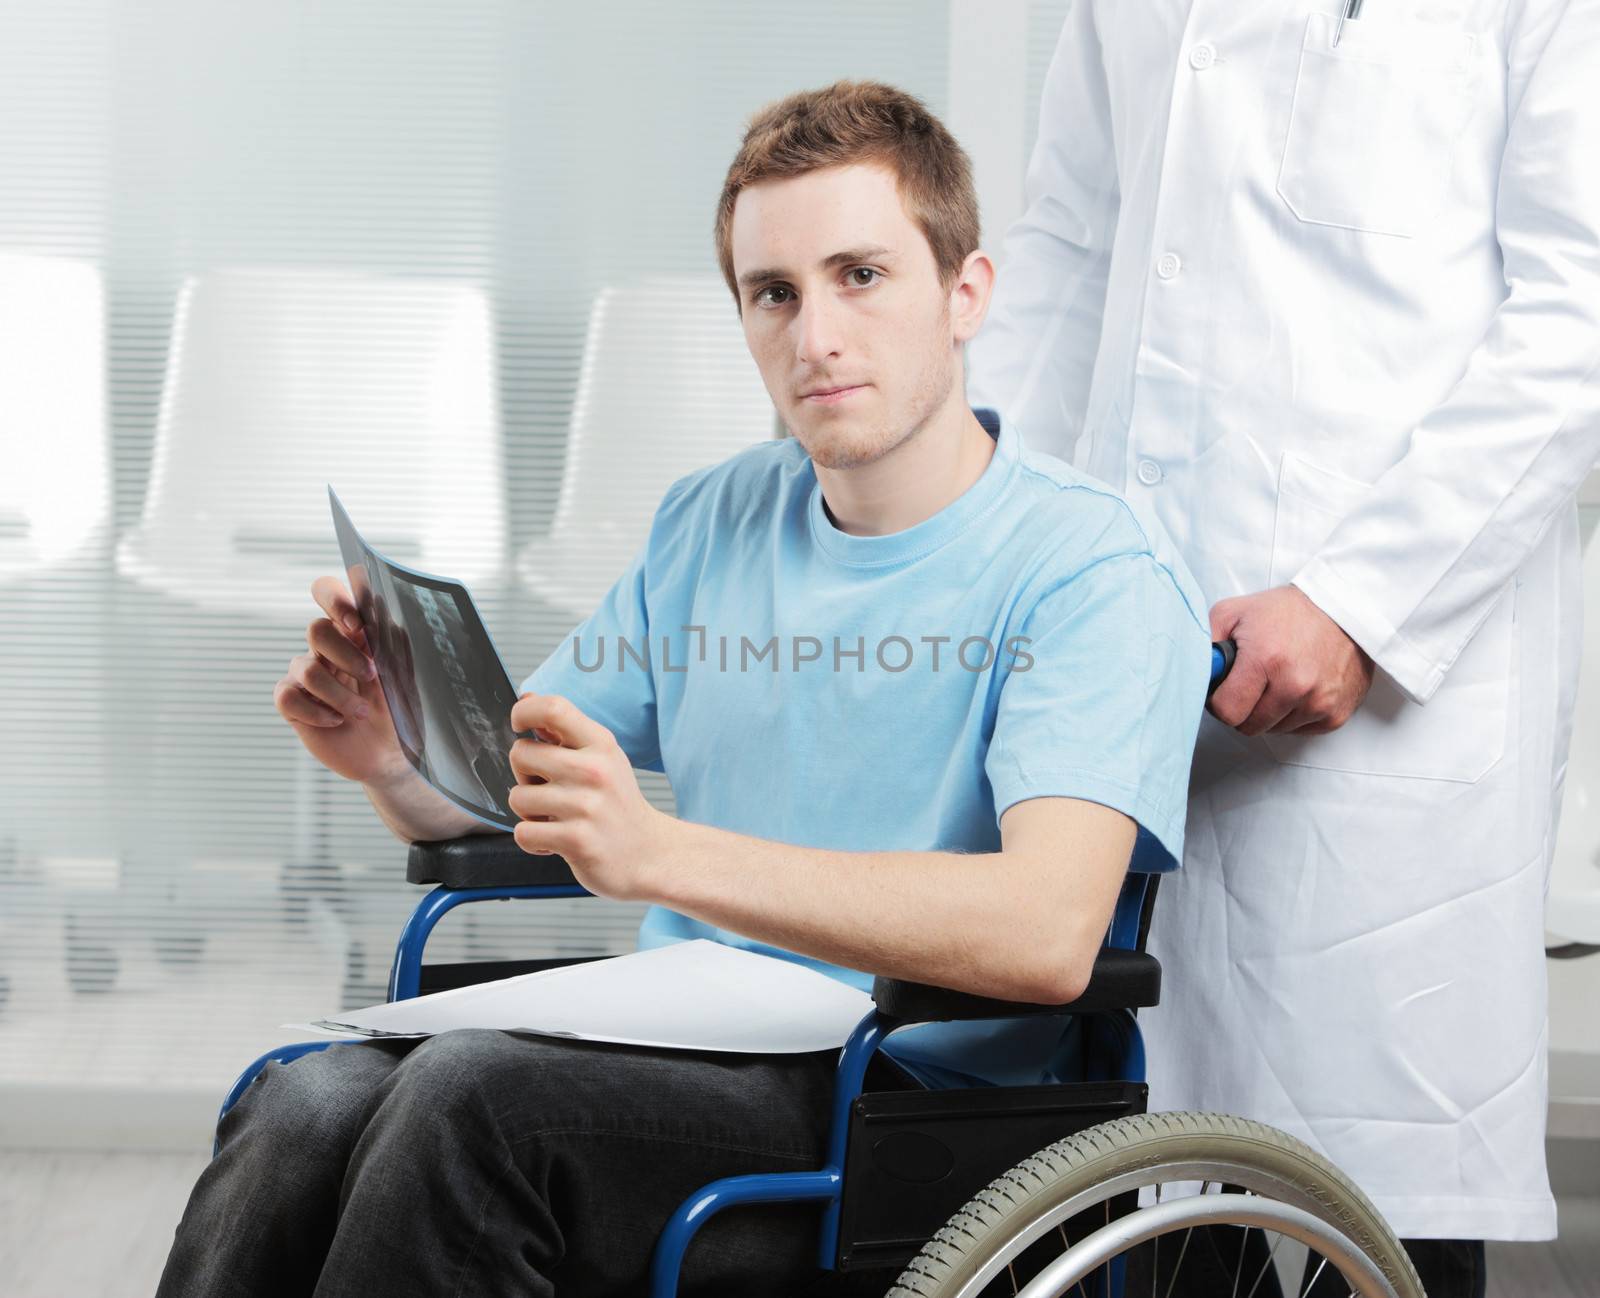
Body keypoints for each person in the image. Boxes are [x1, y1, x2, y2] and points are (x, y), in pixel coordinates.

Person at [156, 80, 1212, 1297]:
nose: (814, 335)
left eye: (859, 275)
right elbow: (532, 796)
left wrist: (659, 854)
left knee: (469, 1103)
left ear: (965, 292)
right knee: (303, 1101)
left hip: (914, 1112)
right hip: (676, 1044)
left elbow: (1044, 932)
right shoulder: (713, 519)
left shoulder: (1089, 569)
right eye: (774, 292)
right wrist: (393, 761)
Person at [965, 3, 1600, 1292]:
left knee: (1352, 1225)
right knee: (1104, 1201)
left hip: (1368, 727)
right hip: (1112, 685)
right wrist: (967, 543)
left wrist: (1360, 600)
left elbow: (1578, 315)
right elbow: (1070, 254)